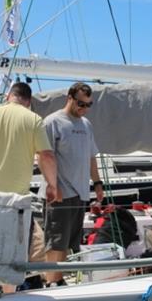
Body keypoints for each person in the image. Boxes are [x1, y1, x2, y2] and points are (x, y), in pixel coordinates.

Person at [0, 82, 58, 292]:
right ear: (29, 101)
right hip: (16, 197)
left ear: (8, 96)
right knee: (11, 250)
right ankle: (7, 297)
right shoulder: (33, 120)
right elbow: (47, 155)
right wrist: (52, 184)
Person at [42, 82, 105, 287]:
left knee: (70, 241)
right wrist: (53, 185)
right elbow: (44, 156)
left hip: (81, 193)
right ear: (69, 98)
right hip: (60, 192)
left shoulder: (86, 125)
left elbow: (91, 157)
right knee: (56, 240)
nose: (84, 108)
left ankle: (58, 279)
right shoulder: (52, 122)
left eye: (88, 105)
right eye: (80, 104)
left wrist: (97, 183)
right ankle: (52, 281)